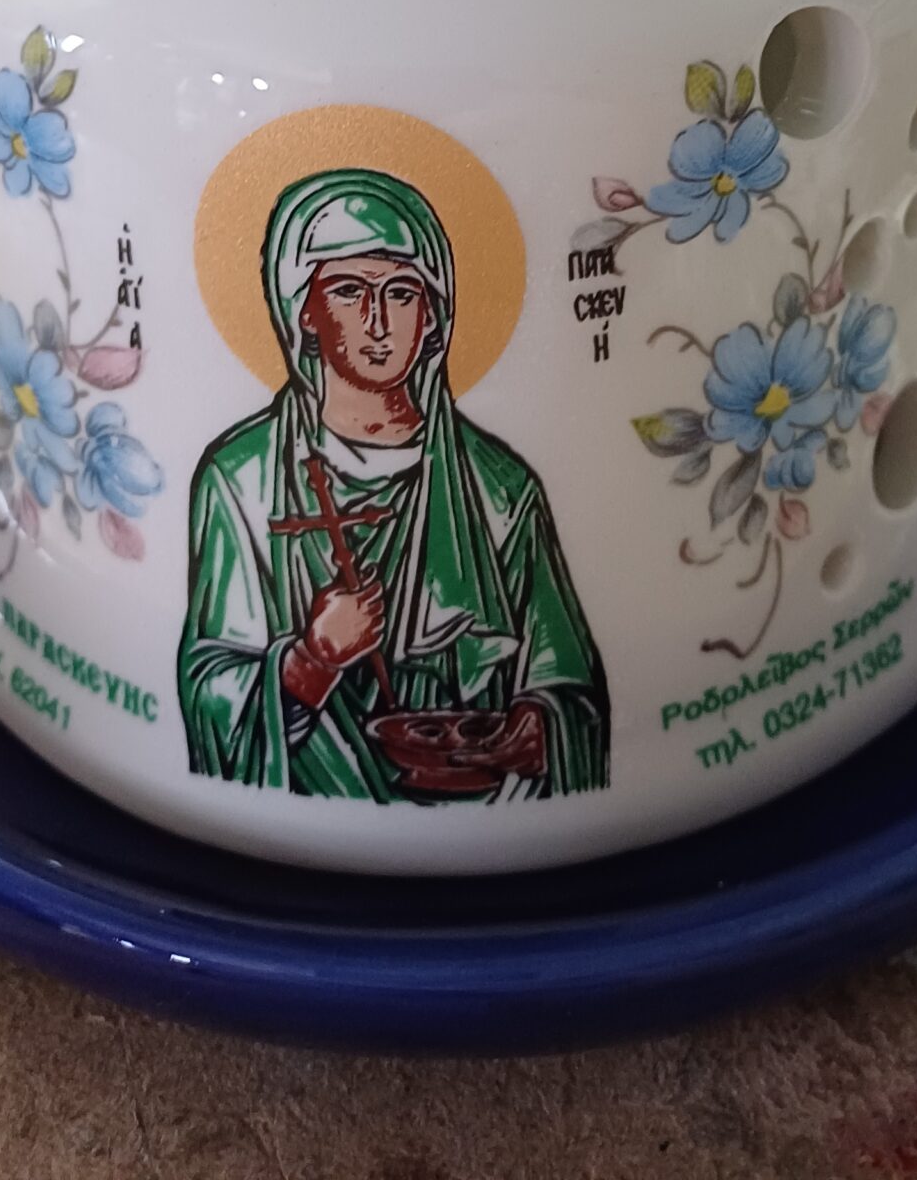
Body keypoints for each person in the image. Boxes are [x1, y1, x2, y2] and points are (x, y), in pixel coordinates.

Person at [179, 167, 609, 800]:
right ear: (304, 313)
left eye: (403, 293)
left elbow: (568, 686)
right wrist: (312, 660)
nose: (379, 321)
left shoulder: (500, 492)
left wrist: (535, 731)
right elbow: (209, 690)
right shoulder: (242, 480)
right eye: (349, 291)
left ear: (433, 317)